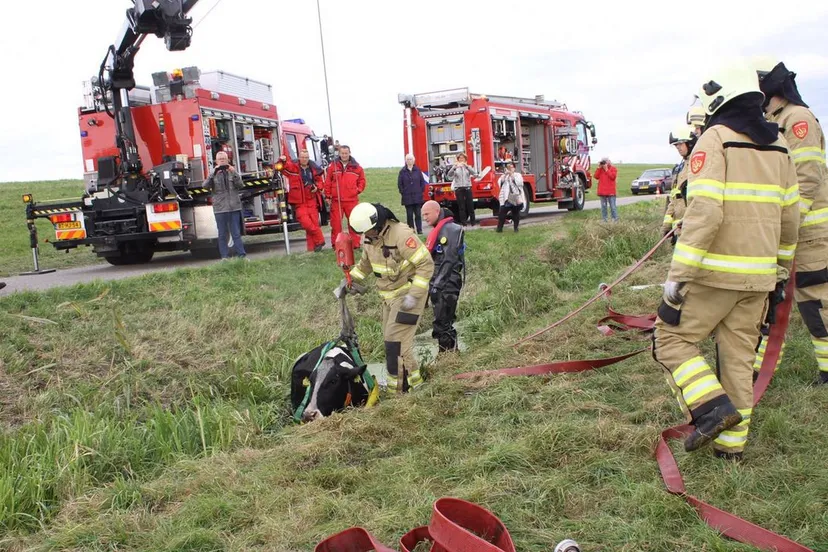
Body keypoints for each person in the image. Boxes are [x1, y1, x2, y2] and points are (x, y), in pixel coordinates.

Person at [652, 62, 800, 461]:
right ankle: (730, 450)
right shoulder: (781, 147)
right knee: (737, 359)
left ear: (717, 100)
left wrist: (676, 280)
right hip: (759, 279)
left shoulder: (715, 138)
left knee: (670, 339)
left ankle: (709, 410)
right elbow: (791, 219)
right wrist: (780, 274)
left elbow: (705, 214)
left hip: (714, 273)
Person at [753, 59, 828, 385]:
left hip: (809, 232)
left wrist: (789, 224)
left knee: (817, 304)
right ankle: (758, 370)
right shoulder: (775, 119)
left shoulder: (798, 119)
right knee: (776, 302)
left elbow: (807, 176)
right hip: (789, 229)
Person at [343, 203, 435, 393]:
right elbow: (365, 265)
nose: (364, 236)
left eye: (366, 232)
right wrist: (349, 282)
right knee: (390, 341)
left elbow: (426, 264)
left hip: (408, 296)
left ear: (376, 224)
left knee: (396, 342)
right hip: (389, 299)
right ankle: (400, 386)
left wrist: (414, 296)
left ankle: (413, 386)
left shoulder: (401, 235)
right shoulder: (370, 237)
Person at [422, 200, 465, 352]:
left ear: (436, 211)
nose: (424, 218)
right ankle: (448, 353)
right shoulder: (439, 230)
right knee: (441, 321)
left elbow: (449, 260)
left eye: (427, 214)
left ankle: (449, 355)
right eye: (423, 215)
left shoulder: (450, 230)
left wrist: (438, 285)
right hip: (439, 281)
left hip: (448, 282)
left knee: (443, 322)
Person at [279, 150, 325, 252]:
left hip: (312, 199)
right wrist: (281, 160)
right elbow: (281, 167)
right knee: (306, 223)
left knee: (313, 224)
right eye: (302, 157)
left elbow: (320, 182)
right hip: (300, 201)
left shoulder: (314, 169)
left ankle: (313, 249)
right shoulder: (294, 168)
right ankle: (320, 239)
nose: (304, 159)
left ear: (308, 158)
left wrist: (317, 187)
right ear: (299, 157)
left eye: (306, 157)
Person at [205, 151, 247, 259]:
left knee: (236, 233)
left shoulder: (232, 172)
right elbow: (205, 186)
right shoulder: (213, 173)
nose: (222, 160)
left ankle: (242, 256)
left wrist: (235, 173)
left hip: (234, 207)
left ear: (228, 160)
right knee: (222, 234)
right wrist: (213, 173)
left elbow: (241, 185)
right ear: (216, 161)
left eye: (224, 158)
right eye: (220, 159)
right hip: (220, 209)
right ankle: (224, 257)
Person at [662, 125, 698, 244]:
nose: (678, 148)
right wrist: (666, 225)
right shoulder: (679, 169)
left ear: (690, 143)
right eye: (676, 145)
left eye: (680, 144)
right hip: (678, 229)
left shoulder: (697, 165)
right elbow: (673, 198)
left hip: (692, 228)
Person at [324, 145, 366, 247]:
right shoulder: (332, 166)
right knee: (336, 224)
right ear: (339, 153)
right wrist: (328, 196)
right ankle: (336, 244)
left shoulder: (357, 167)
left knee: (353, 222)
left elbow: (362, 181)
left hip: (351, 200)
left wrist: (357, 190)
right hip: (336, 200)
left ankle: (355, 244)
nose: (344, 155)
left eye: (346, 153)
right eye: (342, 153)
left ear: (349, 153)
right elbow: (328, 181)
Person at [446, 153, 478, 226]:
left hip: (467, 187)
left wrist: (467, 167)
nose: (461, 160)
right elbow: (449, 175)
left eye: (462, 158)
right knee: (461, 207)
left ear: (465, 159)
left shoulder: (468, 167)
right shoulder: (455, 168)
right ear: (458, 160)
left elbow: (475, 174)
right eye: (460, 158)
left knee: (470, 206)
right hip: (459, 188)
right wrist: (454, 168)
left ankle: (473, 222)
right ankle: (464, 223)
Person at [398, 154, 426, 234]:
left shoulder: (417, 170)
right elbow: (400, 184)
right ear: (405, 161)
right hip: (407, 197)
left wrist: (421, 191)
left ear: (414, 160)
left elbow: (422, 182)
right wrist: (403, 192)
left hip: (417, 196)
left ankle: (419, 229)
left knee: (418, 214)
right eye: (408, 159)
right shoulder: (402, 171)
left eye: (410, 159)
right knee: (409, 215)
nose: (409, 161)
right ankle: (411, 230)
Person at [496, 162, 527, 232]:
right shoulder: (504, 176)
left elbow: (520, 183)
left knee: (515, 213)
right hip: (506, 198)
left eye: (511, 167)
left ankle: (516, 228)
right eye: (508, 167)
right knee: (502, 213)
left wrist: (511, 175)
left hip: (515, 197)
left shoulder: (517, 175)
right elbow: (500, 183)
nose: (510, 169)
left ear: (514, 168)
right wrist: (505, 174)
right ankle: (499, 229)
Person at [594, 157, 618, 222]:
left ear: (609, 162)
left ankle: (615, 219)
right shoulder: (600, 169)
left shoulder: (613, 168)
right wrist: (599, 168)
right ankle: (604, 219)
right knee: (603, 207)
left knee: (613, 206)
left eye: (605, 162)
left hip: (611, 192)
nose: (604, 163)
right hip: (602, 192)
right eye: (602, 162)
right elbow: (596, 176)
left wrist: (607, 169)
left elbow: (613, 177)